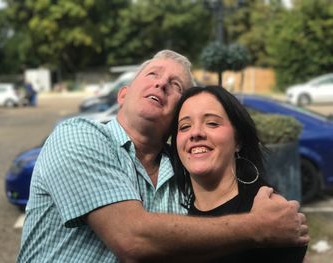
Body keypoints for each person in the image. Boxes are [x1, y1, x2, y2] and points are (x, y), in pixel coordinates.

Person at [18, 50, 308, 262]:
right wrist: (257, 227)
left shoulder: (182, 172)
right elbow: (131, 239)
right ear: (123, 95)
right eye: (152, 74)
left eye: (176, 85)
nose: (161, 83)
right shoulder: (79, 135)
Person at [170, 85, 307, 262]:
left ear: (238, 141)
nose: (195, 133)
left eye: (212, 123)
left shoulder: (270, 209)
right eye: (185, 126)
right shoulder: (173, 208)